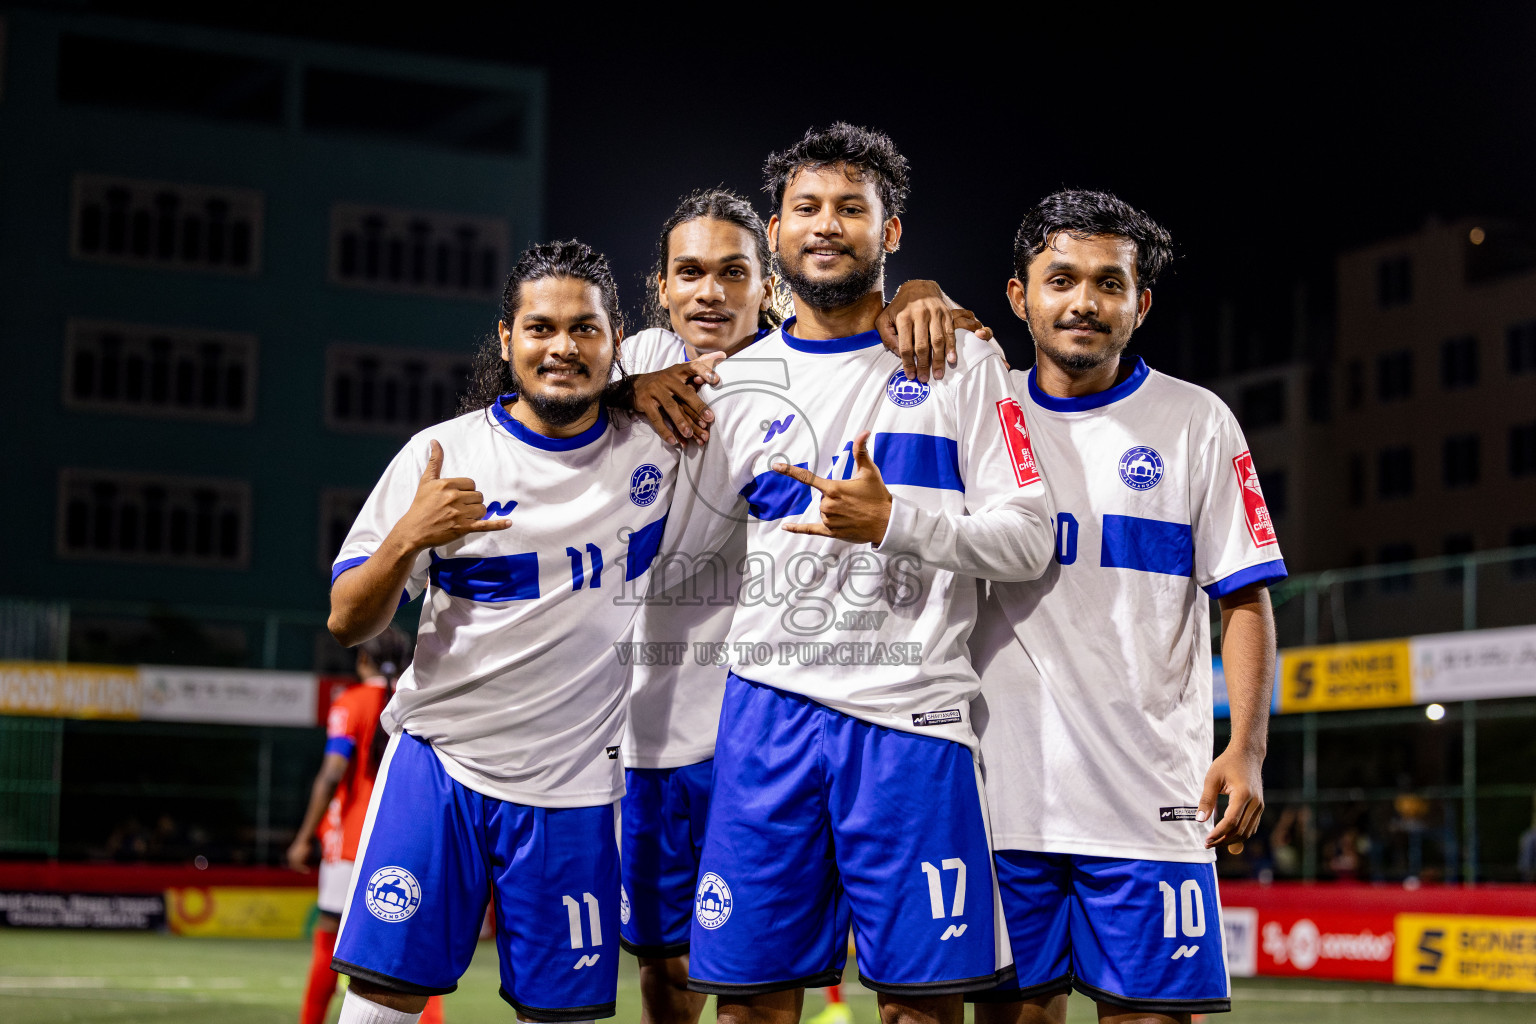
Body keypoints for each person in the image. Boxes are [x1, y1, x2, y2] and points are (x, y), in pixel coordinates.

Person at [664, 124, 1056, 1024]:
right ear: (775, 232)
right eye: (807, 209)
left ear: (893, 232)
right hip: (766, 715)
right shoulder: (731, 384)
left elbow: (1030, 539)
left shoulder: (959, 356)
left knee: (919, 1005)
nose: (827, 225)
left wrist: (897, 524)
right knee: (751, 1000)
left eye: (852, 208)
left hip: (910, 720)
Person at [617, 188, 992, 1024]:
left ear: (768, 288)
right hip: (645, 727)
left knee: (835, 978)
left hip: (758, 721)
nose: (710, 293)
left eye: (733, 273)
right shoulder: (633, 358)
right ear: (661, 289)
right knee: (673, 970)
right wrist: (627, 386)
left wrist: (918, 290)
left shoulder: (776, 379)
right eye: (690, 274)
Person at [325, 240, 681, 1024]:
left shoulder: (660, 445)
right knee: (383, 1001)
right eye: (541, 327)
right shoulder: (443, 454)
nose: (562, 347)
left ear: (615, 339)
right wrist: (406, 539)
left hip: (576, 790)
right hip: (442, 766)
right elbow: (348, 620)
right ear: (505, 339)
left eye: (585, 329)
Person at [967, 190, 1284, 1023]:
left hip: (1151, 796)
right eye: (1061, 279)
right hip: (1003, 794)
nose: (1083, 302)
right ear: (1018, 296)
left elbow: (1244, 597)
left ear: (1141, 304)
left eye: (1109, 284)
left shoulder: (1196, 421)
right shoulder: (978, 412)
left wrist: (1246, 749)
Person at [287, 629, 446, 1024]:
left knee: (327, 944)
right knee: (409, 958)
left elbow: (331, 774)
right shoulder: (416, 703)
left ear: (363, 661)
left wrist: (303, 837)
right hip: (406, 841)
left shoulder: (351, 702)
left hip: (349, 843)